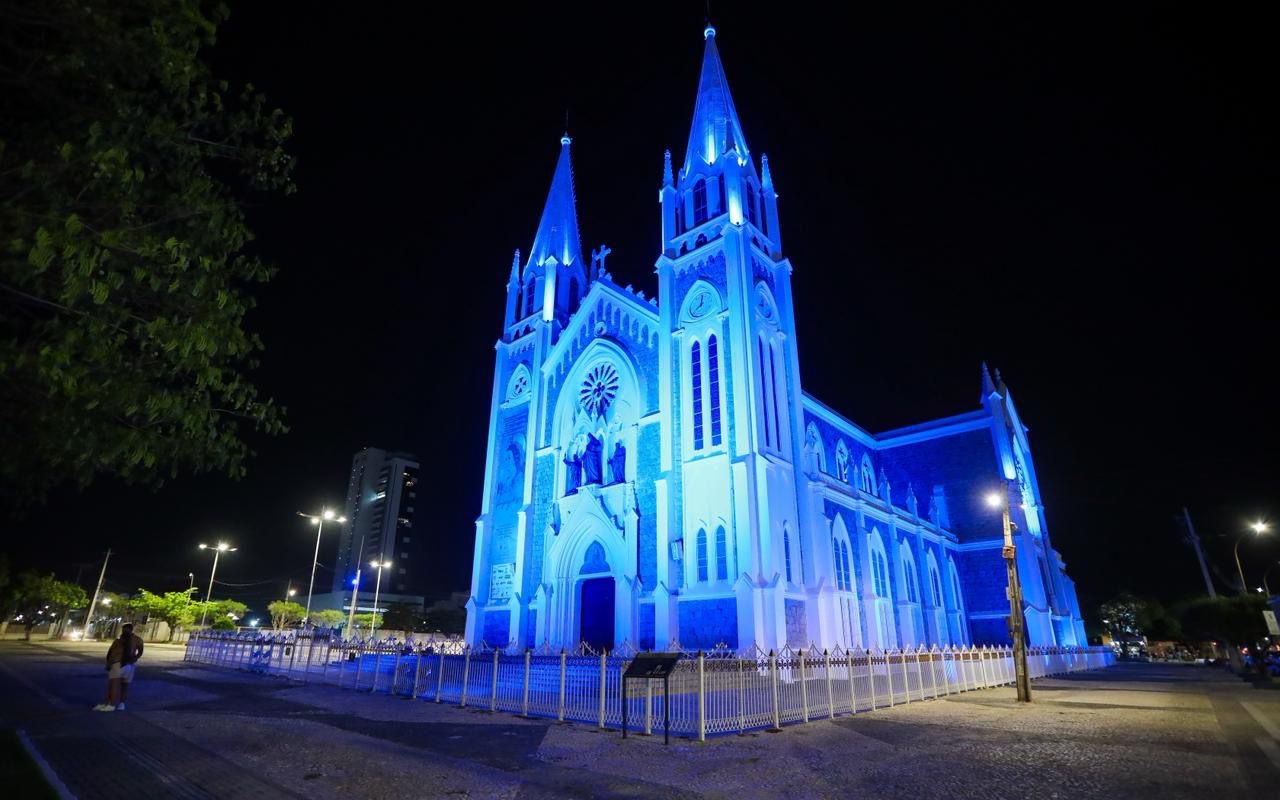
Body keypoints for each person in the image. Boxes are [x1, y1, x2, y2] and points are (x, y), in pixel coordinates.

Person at [94, 623, 144, 711]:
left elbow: (110, 653)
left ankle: (110, 704)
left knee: (113, 685)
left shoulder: (119, 641)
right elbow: (140, 651)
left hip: (118, 663)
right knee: (124, 685)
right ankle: (120, 704)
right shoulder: (136, 639)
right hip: (129, 664)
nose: (124, 631)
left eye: (124, 629)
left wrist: (109, 663)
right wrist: (135, 658)